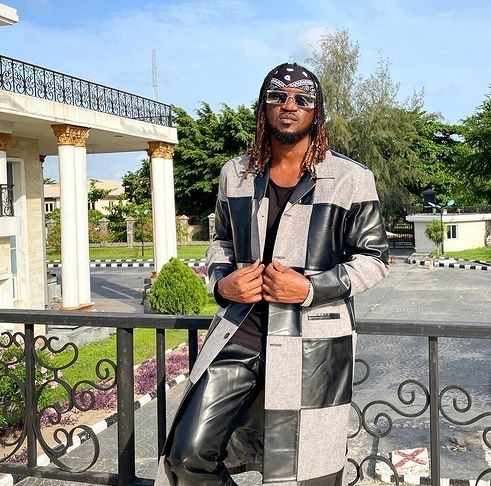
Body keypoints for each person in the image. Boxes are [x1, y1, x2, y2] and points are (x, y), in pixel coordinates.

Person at [156, 62, 389, 486]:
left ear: (316, 111)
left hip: (313, 340)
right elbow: (221, 241)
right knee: (186, 456)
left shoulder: (351, 178)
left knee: (305, 473)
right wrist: (222, 282)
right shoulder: (236, 173)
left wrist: (310, 288)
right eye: (277, 96)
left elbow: (374, 258)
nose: (289, 105)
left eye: (302, 98)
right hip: (240, 330)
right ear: (263, 108)